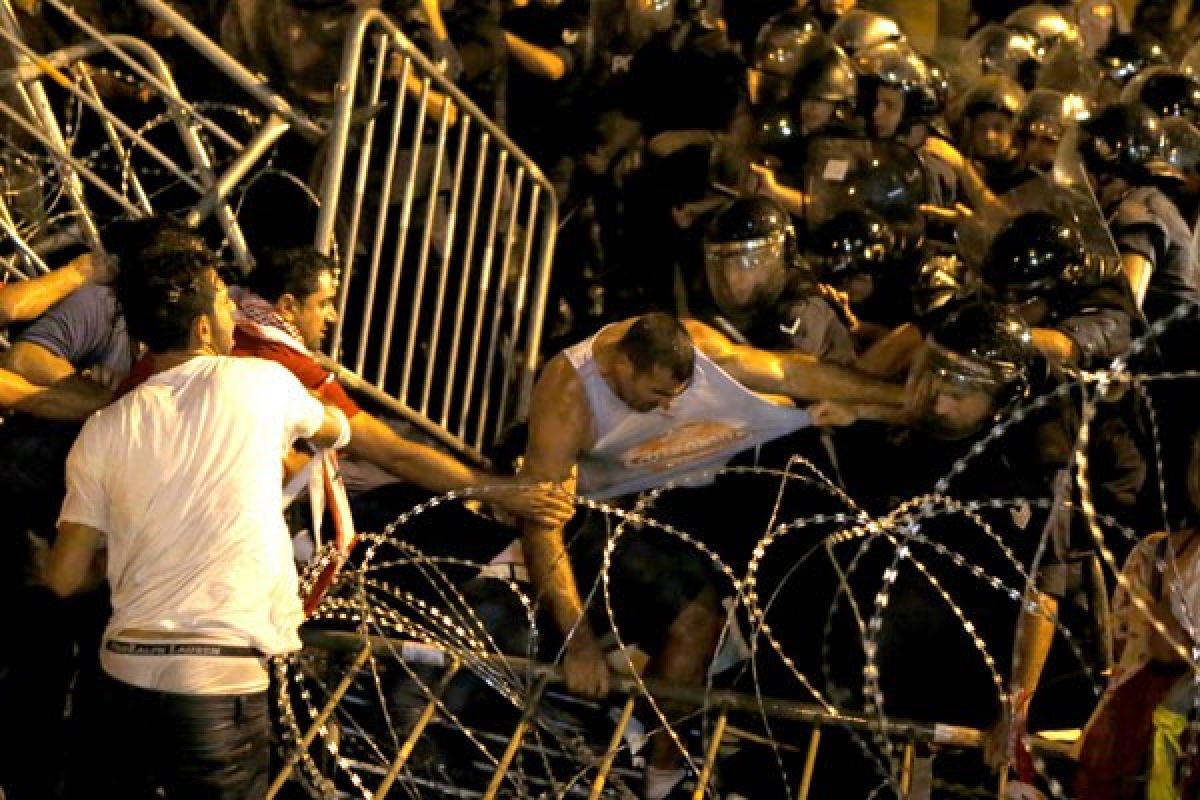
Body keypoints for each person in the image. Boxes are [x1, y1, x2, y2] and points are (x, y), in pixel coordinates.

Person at [518, 312, 901, 796]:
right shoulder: (567, 395)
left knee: (711, 620)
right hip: (584, 511)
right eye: (656, 396)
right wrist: (579, 644)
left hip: (659, 499)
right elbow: (540, 522)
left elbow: (792, 372)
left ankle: (660, 773)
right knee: (691, 619)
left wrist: (900, 399)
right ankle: (642, 744)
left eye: (676, 397)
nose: (665, 409)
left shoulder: (700, 347)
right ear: (622, 369)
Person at [42, 243, 353, 797]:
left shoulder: (102, 429)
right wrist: (334, 428)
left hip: (122, 679)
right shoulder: (260, 382)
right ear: (205, 330)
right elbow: (331, 427)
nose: (235, 311)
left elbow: (64, 578)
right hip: (218, 683)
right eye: (225, 305)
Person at [227, 245, 576, 530]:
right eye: (324, 303)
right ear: (287, 307)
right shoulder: (281, 359)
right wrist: (504, 493)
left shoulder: (233, 321)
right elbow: (395, 455)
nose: (332, 317)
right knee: (401, 480)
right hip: (253, 495)